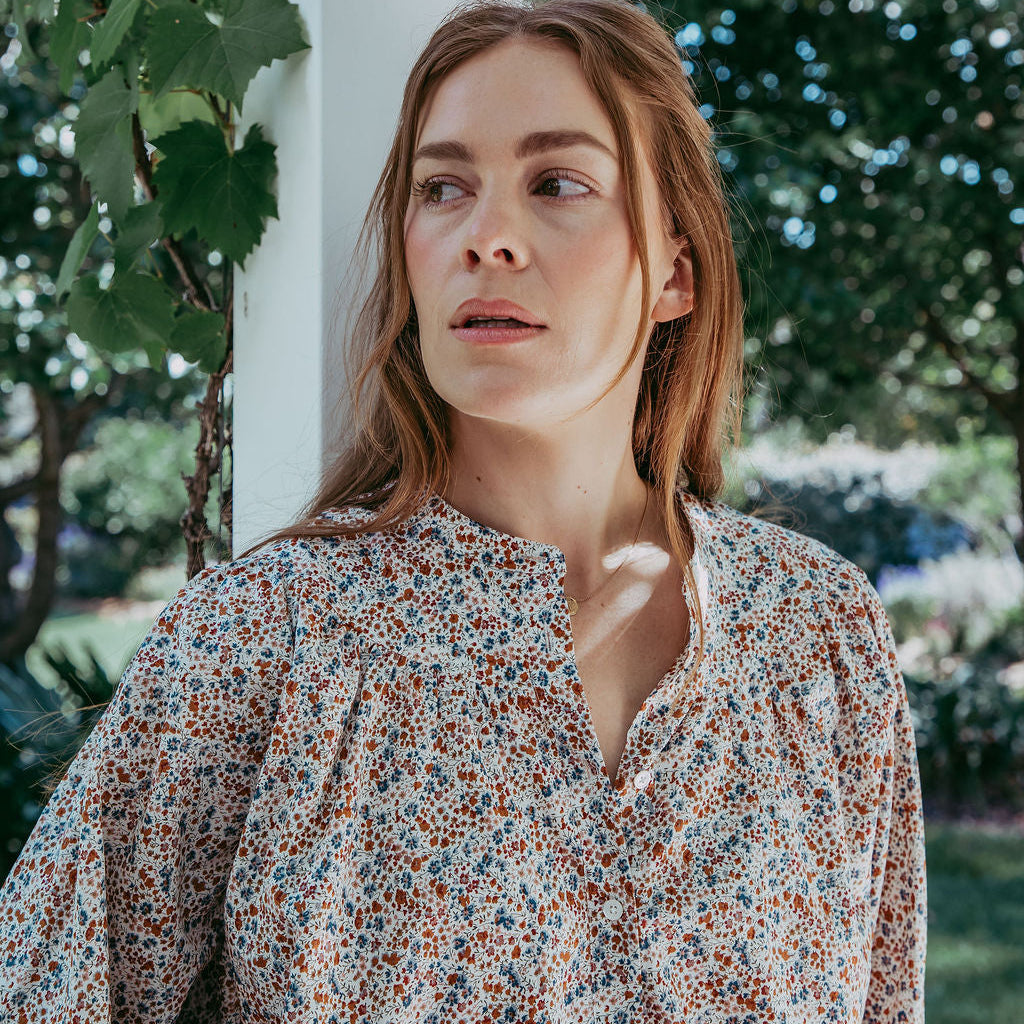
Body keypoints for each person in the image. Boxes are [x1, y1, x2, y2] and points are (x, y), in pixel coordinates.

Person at [0, 0, 926, 1020]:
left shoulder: (820, 635)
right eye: (443, 189)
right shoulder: (266, 636)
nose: (487, 236)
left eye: (557, 182)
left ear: (675, 269)